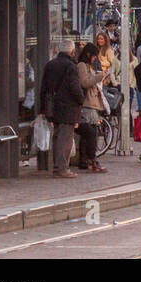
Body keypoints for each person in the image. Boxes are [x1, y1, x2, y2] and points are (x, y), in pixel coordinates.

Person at [39, 39, 85, 178]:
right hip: (68, 107)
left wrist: (43, 109)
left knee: (57, 136)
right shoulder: (71, 66)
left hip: (53, 107)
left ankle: (57, 166)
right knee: (65, 138)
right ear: (72, 51)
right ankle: (61, 168)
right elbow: (74, 88)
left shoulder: (50, 64)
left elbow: (44, 88)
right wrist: (81, 99)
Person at [75, 43, 109, 173]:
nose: (95, 59)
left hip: (91, 102)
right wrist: (100, 76)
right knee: (91, 133)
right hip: (87, 104)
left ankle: (84, 160)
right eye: (94, 56)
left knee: (88, 134)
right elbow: (85, 82)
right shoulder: (82, 66)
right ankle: (91, 159)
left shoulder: (88, 66)